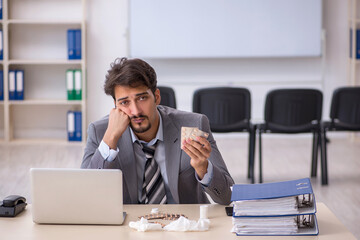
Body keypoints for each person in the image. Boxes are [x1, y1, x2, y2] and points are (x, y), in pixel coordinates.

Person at [81, 57, 234, 205]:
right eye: (125, 102)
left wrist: (203, 168)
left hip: (184, 225)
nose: (135, 111)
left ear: (156, 97)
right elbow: (86, 194)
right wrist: (110, 139)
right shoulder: (101, 132)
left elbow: (228, 196)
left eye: (142, 98)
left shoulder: (194, 124)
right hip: (129, 226)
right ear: (115, 106)